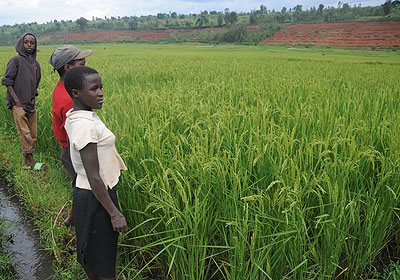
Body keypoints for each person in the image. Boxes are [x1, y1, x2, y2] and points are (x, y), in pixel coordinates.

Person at [64, 66, 128, 280]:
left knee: (92, 254)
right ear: (76, 93)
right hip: (98, 197)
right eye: (94, 89)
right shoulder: (85, 127)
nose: (101, 93)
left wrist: (75, 209)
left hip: (88, 195)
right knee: (103, 261)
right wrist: (114, 213)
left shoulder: (76, 116)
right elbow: (93, 176)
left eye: (101, 87)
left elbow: (77, 167)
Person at [48, 45, 93, 226]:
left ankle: (73, 219)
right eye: (82, 62)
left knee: (79, 185)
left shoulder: (62, 88)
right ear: (68, 67)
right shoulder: (70, 99)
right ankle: (75, 220)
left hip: (67, 149)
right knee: (82, 187)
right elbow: (78, 134)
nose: (86, 65)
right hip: (73, 151)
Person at [1, 33, 44, 170]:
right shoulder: (16, 61)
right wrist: (16, 101)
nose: (29, 45)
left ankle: (26, 162)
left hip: (30, 103)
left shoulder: (35, 64)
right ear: (21, 44)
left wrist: (32, 97)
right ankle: (32, 162)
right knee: (24, 132)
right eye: (26, 42)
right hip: (17, 103)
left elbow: (35, 83)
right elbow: (8, 82)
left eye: (32, 42)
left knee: (33, 133)